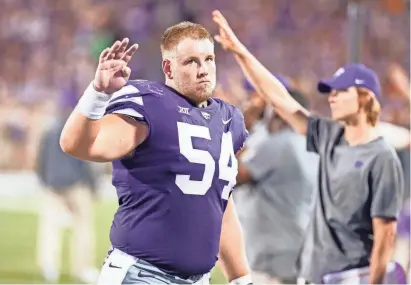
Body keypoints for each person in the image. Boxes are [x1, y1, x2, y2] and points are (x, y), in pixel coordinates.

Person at [212, 10, 405, 284]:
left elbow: (385, 233)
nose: (332, 98)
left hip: (352, 276)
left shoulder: (381, 157)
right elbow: (280, 100)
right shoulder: (329, 135)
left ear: (364, 99)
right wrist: (240, 52)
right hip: (313, 274)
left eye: (340, 92)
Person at [60, 22, 252, 285]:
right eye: (191, 62)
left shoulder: (228, 119)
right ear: (168, 68)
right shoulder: (150, 103)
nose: (203, 69)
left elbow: (220, 203)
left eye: (209, 59)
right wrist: (98, 93)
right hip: (141, 275)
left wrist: (240, 278)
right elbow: (79, 145)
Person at [234, 89, 318, 284]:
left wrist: (241, 127)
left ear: (279, 112)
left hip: (276, 257)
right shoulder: (312, 145)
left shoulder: (280, 143)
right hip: (299, 247)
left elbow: (233, 174)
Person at [36, 111, 98, 283]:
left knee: (50, 228)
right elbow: (85, 160)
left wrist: (44, 180)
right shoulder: (78, 128)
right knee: (83, 228)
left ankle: (50, 267)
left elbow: (41, 160)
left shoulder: (49, 131)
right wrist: (93, 185)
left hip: (53, 185)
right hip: (76, 185)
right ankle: (82, 268)